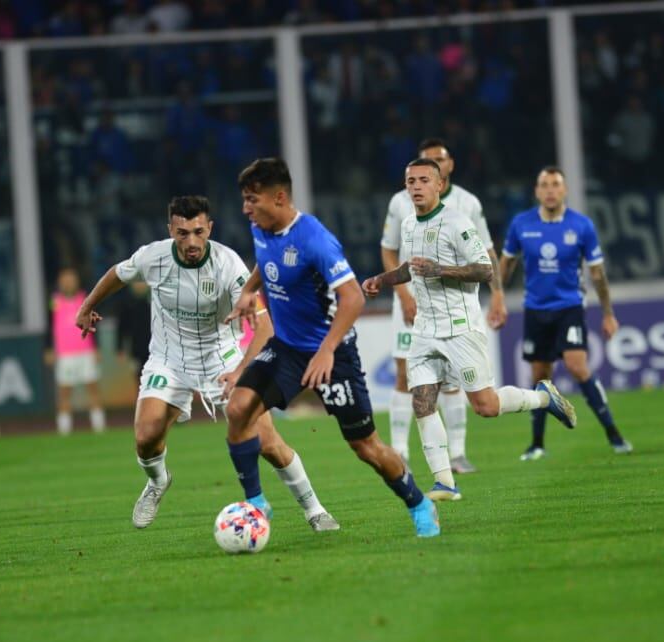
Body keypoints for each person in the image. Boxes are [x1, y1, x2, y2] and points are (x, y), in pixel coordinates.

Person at [76, 194, 339, 531]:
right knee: (146, 435)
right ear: (170, 229)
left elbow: (264, 325)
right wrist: (87, 306)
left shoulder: (229, 265)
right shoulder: (153, 257)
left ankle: (315, 510)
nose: (191, 241)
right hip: (168, 360)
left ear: (209, 228)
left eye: (199, 232)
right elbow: (118, 273)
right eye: (183, 233)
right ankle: (157, 482)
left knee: (267, 442)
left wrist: (240, 370)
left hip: (222, 360)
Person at [226, 157, 439, 537]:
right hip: (288, 349)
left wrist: (327, 349)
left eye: (251, 200)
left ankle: (418, 503)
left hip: (334, 354)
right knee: (239, 408)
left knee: (366, 447)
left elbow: (353, 296)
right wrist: (247, 291)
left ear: (278, 198)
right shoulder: (261, 227)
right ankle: (256, 505)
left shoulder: (314, 239)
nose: (245, 209)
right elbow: (264, 259)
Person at [362, 159, 576, 502]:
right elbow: (411, 268)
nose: (415, 187)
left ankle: (542, 397)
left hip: (460, 328)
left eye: (423, 180)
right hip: (424, 330)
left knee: (486, 406)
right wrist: (381, 280)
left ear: (438, 185)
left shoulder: (457, 223)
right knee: (422, 401)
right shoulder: (407, 225)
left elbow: (485, 270)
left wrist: (441, 269)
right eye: (410, 181)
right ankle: (445, 482)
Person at [380, 138, 502, 473]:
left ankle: (458, 453)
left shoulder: (464, 209)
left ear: (444, 174)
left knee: (479, 400)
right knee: (413, 385)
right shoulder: (403, 211)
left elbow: (486, 260)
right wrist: (388, 284)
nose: (417, 185)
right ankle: (418, 463)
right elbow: (396, 254)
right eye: (412, 179)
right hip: (417, 312)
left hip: (456, 318)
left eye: (428, 172)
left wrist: (498, 295)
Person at [499, 167, 633, 459]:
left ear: (564, 190)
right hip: (535, 310)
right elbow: (506, 264)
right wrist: (497, 299)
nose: (549, 190)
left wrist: (608, 314)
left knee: (576, 366)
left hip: (569, 307)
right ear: (536, 191)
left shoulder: (581, 225)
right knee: (540, 375)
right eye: (544, 185)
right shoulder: (521, 224)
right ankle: (537, 444)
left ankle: (614, 433)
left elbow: (597, 274)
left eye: (555, 185)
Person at [46, 267, 106, 435]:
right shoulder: (54, 302)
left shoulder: (86, 299)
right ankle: (64, 431)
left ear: (76, 281)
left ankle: (99, 428)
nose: (68, 283)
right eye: (65, 280)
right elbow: (49, 327)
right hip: (64, 354)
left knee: (92, 389)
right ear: (60, 282)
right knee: (64, 393)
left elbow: (95, 323)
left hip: (86, 351)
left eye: (70, 279)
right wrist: (49, 348)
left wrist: (97, 348)